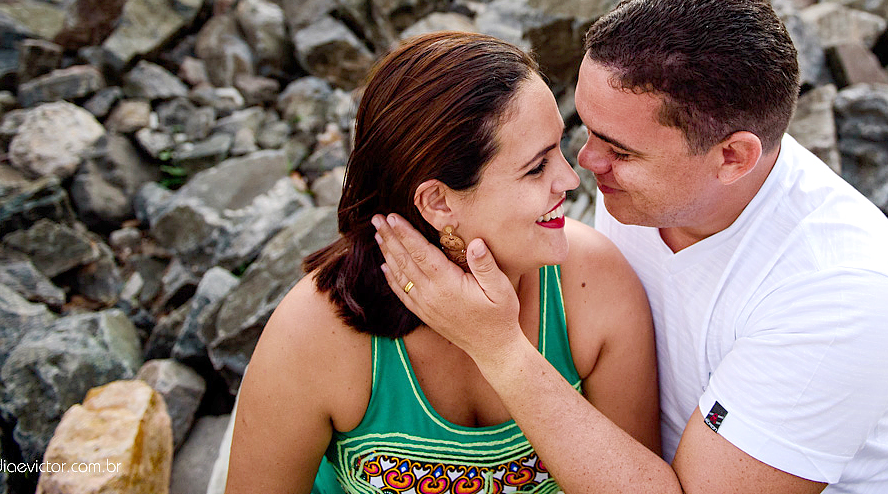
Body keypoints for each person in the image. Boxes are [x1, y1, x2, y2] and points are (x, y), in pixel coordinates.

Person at [376, 0, 888, 494]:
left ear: (734, 158)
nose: (582, 165)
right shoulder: (649, 186)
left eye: (620, 150)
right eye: (586, 129)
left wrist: (499, 350)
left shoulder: (837, 290)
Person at [225, 31, 660, 494]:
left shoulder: (595, 284)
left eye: (560, 149)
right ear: (438, 202)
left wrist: (501, 348)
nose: (571, 180)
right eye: (537, 167)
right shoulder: (318, 332)